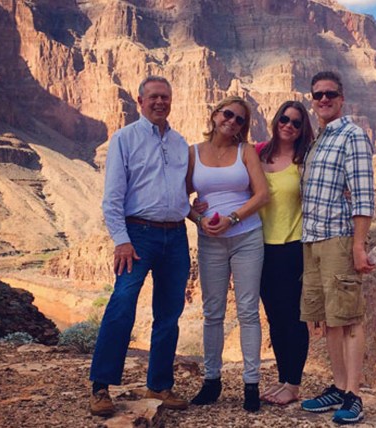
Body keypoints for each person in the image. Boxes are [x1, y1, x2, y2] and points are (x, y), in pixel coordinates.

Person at [90, 76, 191, 416]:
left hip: (176, 236)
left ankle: (160, 385)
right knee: (122, 304)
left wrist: (195, 212)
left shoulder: (180, 144)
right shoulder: (124, 139)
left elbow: (180, 193)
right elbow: (112, 198)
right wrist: (121, 240)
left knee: (169, 313)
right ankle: (101, 387)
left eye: (165, 97)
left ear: (171, 100)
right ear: (140, 100)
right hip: (138, 236)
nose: (160, 102)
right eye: (154, 97)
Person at [299, 71, 376, 425]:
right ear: (312, 100)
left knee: (349, 318)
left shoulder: (352, 136)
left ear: (342, 98)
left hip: (340, 240)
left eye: (330, 94)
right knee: (330, 319)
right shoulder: (319, 139)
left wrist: (358, 246)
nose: (324, 100)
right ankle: (338, 386)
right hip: (313, 240)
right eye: (317, 95)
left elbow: (363, 196)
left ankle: (354, 395)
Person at [186, 96, 269, 412]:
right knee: (213, 312)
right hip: (210, 241)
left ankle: (251, 384)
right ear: (214, 114)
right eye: (228, 114)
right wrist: (198, 217)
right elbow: (182, 198)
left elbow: (262, 195)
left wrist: (234, 218)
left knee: (248, 311)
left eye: (240, 120)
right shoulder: (193, 153)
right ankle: (212, 381)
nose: (232, 122)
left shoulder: (245, 152)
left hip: (247, 236)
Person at [254, 101, 314, 405]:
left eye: (296, 123)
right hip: (260, 248)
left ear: (303, 129)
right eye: (285, 119)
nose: (289, 125)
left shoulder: (305, 160)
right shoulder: (258, 154)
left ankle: (294, 384)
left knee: (294, 316)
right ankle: (282, 379)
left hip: (293, 247)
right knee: (275, 317)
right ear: (276, 120)